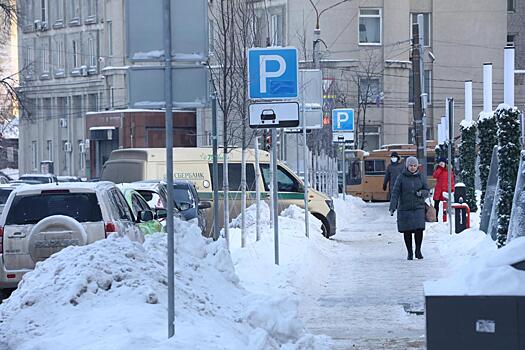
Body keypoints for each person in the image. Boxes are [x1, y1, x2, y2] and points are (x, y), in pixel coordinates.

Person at [389, 156, 429, 260]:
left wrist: (422, 193)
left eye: (415, 165)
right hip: (405, 208)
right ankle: (410, 252)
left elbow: (427, 190)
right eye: (411, 165)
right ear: (407, 166)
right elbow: (395, 192)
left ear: (417, 166)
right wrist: (393, 207)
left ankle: (418, 250)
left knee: (419, 230)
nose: (412, 167)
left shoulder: (421, 177)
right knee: (407, 231)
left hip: (418, 207)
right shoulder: (401, 177)